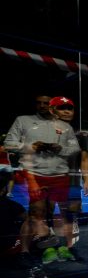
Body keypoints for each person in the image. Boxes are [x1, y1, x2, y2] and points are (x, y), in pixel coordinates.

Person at [4, 94, 81, 267]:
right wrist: (30, 147)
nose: (42, 106)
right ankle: (25, 252)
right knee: (35, 214)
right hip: (35, 174)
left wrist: (60, 148)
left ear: (52, 106)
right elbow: (8, 144)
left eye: (46, 103)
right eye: (39, 103)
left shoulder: (65, 126)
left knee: (59, 215)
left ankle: (63, 248)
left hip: (60, 176)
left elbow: (75, 149)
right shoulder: (23, 121)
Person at [50, 96, 88, 261]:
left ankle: (69, 248)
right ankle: (48, 248)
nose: (67, 111)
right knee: (44, 214)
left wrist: (86, 180)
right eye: (62, 108)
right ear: (53, 110)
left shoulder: (79, 135)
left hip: (71, 183)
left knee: (69, 216)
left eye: (70, 108)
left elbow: (84, 158)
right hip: (48, 180)